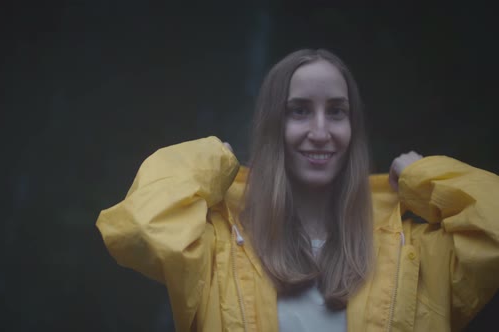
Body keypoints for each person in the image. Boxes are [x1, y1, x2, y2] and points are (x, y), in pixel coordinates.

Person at [96, 49, 499, 331]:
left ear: (353, 130)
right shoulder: (216, 248)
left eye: (336, 112)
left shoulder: (415, 253)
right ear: (273, 127)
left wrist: (424, 179)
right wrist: (215, 161)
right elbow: (139, 228)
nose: (320, 132)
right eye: (299, 110)